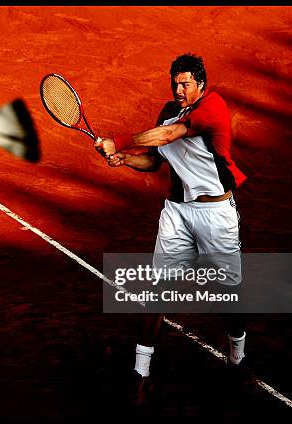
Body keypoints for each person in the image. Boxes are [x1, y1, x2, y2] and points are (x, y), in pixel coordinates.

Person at [94, 53, 248, 404]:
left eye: (185, 84)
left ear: (201, 85)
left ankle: (238, 358)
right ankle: (140, 374)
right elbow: (155, 160)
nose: (179, 90)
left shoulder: (212, 108)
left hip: (216, 215)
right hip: (177, 212)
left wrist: (117, 140)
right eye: (175, 83)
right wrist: (125, 159)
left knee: (228, 293)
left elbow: (167, 135)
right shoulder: (168, 109)